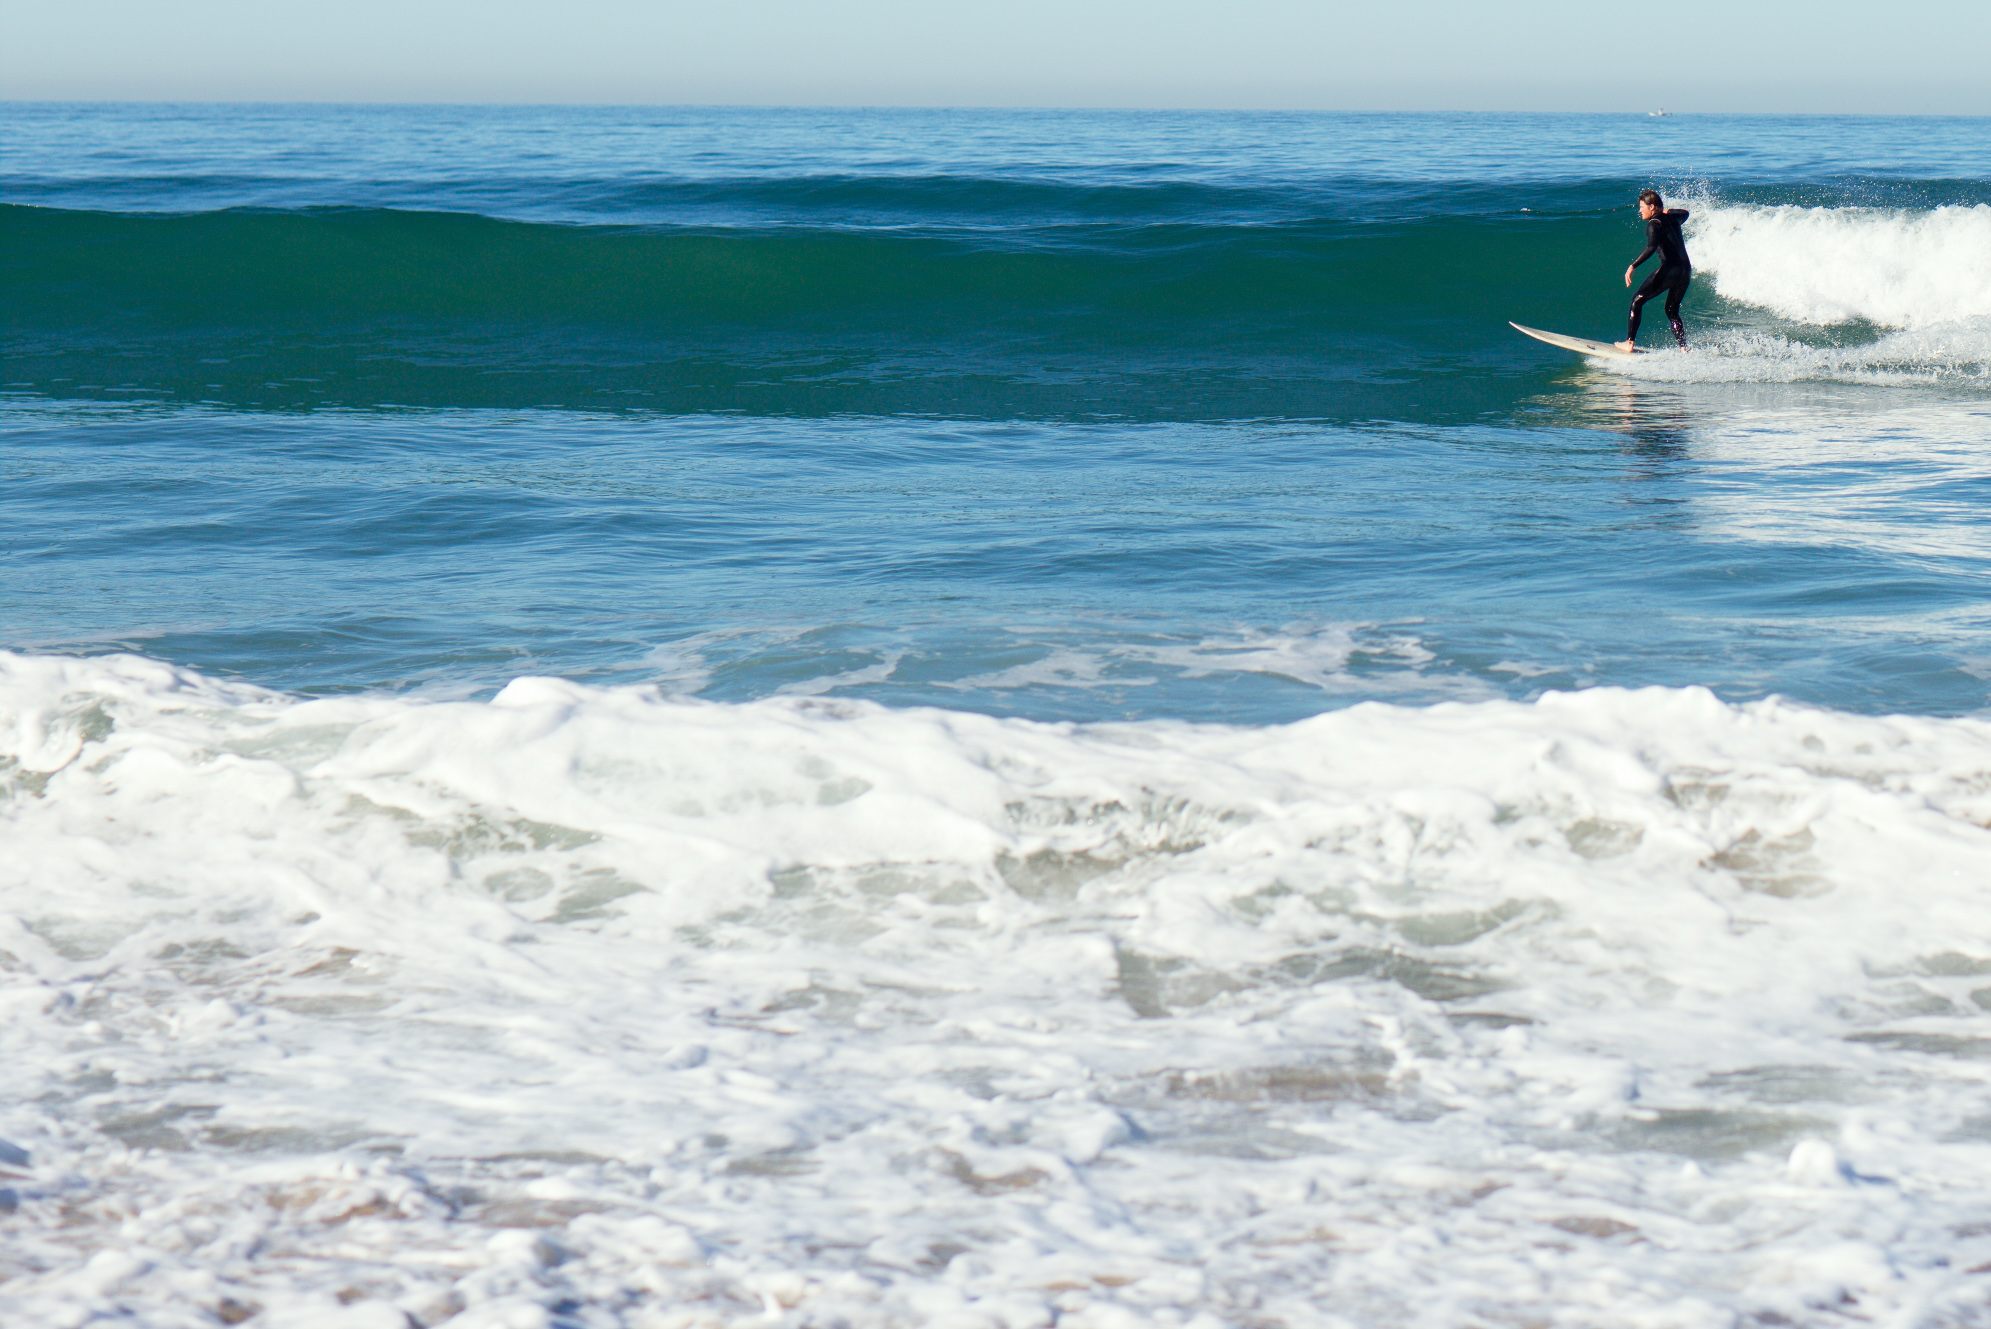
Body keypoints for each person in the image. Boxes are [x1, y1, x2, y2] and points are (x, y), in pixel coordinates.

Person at [1617, 190, 1691, 352]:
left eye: (1642, 207)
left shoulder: (1654, 223)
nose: (1640, 210)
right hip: (1685, 270)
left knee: (1637, 300)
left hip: (1670, 269)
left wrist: (1633, 266)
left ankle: (1629, 343)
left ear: (1651, 207)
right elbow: (1685, 213)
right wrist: (1668, 211)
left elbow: (1651, 247)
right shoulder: (1673, 218)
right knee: (1671, 310)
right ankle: (1684, 348)